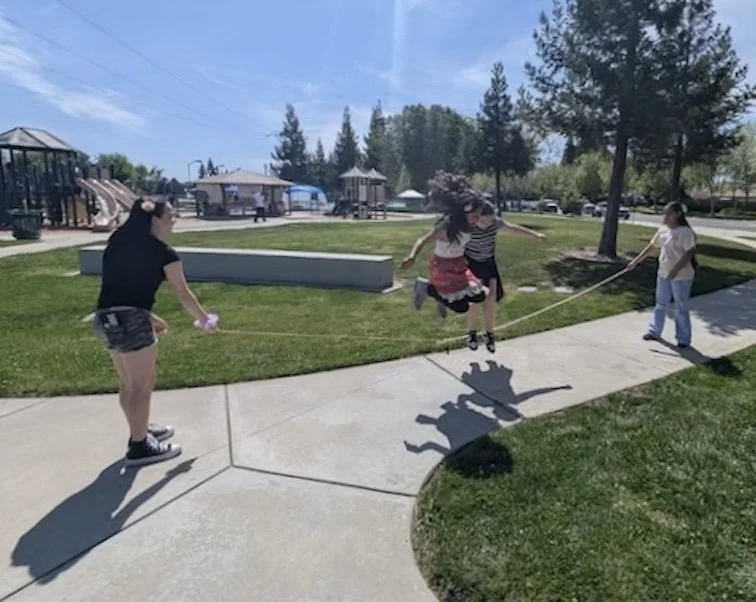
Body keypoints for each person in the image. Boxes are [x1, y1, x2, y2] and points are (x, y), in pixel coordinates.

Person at [93, 198, 219, 467]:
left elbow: (120, 288)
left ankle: (140, 431)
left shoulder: (118, 242)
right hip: (131, 319)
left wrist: (149, 317)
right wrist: (205, 321)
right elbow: (183, 294)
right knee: (142, 385)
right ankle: (140, 446)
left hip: (106, 318)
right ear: (155, 219)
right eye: (171, 215)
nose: (175, 219)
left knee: (129, 383)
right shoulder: (164, 253)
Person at [465, 201, 545, 352]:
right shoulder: (468, 226)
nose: (486, 225)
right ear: (476, 218)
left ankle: (489, 334)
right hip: (471, 264)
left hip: (488, 263)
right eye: (483, 221)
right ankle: (471, 334)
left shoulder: (495, 223)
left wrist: (535, 235)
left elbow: (513, 229)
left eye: (489, 221)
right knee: (475, 301)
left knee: (491, 300)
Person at [400, 190, 487, 318]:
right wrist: (412, 257)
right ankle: (427, 288)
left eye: (479, 215)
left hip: (458, 265)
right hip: (442, 267)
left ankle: (441, 297)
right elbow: (422, 240)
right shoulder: (446, 229)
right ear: (464, 213)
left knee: (480, 296)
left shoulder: (468, 227)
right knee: (462, 307)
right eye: (475, 215)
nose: (477, 219)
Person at [627, 201, 697, 348]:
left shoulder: (685, 232)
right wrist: (636, 261)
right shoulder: (663, 230)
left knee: (681, 307)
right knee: (660, 304)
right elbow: (652, 246)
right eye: (665, 213)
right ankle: (654, 331)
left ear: (678, 215)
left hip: (682, 276)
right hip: (663, 273)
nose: (666, 216)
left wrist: (675, 270)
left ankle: (683, 339)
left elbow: (689, 253)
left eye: (669, 213)